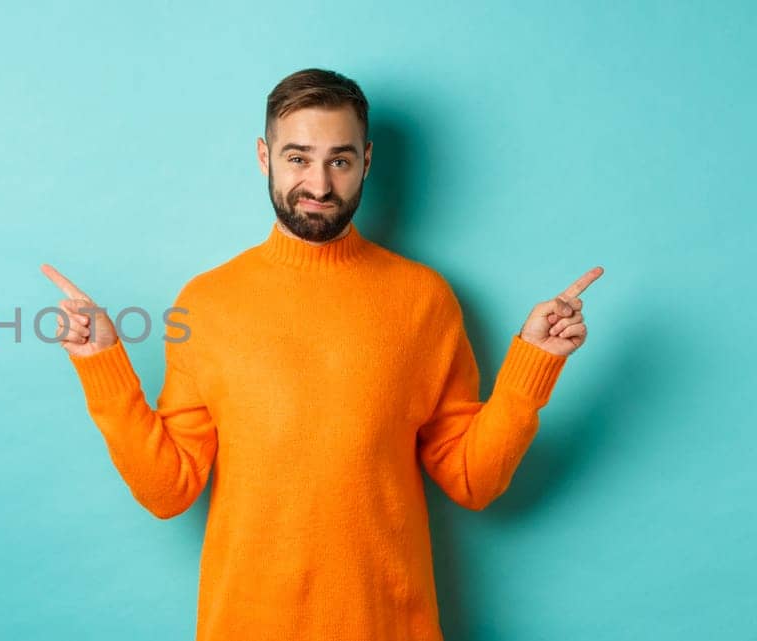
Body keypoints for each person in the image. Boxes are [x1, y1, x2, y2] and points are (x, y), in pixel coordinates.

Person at [39, 68, 602, 641]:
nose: (319, 185)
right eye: (298, 158)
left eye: (340, 159)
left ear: (367, 160)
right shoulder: (207, 303)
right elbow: (168, 489)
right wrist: (101, 365)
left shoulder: (423, 298)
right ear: (264, 157)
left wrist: (533, 363)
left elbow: (470, 480)